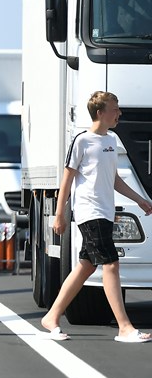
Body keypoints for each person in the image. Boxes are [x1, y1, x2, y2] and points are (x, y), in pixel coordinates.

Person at [39, 91, 152, 342]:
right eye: (115, 109)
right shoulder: (82, 141)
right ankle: (124, 327)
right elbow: (66, 181)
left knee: (86, 266)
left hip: (105, 212)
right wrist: (59, 215)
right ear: (100, 113)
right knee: (111, 263)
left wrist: (140, 199)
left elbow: (114, 179)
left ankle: (52, 317)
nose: (119, 113)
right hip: (90, 212)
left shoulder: (112, 140)